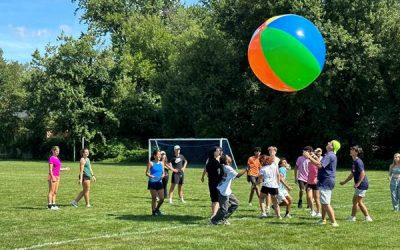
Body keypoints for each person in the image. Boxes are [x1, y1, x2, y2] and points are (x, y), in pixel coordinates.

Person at [304, 140, 340, 227]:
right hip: (327, 180)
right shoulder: (330, 155)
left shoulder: (329, 155)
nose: (328, 142)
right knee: (324, 201)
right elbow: (321, 163)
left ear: (332, 147)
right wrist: (315, 157)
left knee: (326, 203)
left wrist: (309, 157)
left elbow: (320, 166)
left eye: (330, 143)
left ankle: (334, 222)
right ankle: (323, 219)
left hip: (326, 181)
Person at [209, 155, 247, 225]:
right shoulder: (227, 167)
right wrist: (246, 169)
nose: (230, 157)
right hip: (223, 191)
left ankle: (224, 218)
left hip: (226, 190)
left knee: (235, 204)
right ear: (227, 160)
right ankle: (213, 221)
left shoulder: (224, 166)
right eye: (228, 157)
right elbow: (238, 175)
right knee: (223, 209)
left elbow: (232, 176)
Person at [340, 145, 373, 222]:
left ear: (356, 152)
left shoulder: (358, 161)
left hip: (362, 185)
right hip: (360, 185)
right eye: (351, 149)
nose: (351, 150)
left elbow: (363, 173)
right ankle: (353, 217)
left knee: (358, 201)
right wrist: (344, 182)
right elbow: (352, 174)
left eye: (353, 150)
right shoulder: (354, 162)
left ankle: (367, 217)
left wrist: (358, 183)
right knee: (356, 201)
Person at [201, 146, 223, 217]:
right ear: (213, 153)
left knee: (214, 200)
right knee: (217, 200)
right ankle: (214, 215)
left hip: (212, 182)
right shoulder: (214, 162)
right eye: (217, 151)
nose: (219, 152)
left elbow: (207, 171)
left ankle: (214, 214)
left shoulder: (211, 161)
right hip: (216, 183)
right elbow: (219, 173)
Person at [146, 150, 165, 216]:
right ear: (154, 156)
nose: (159, 156)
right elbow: (147, 173)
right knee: (154, 198)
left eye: (160, 155)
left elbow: (163, 173)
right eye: (158, 154)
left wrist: (162, 176)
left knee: (162, 199)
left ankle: (156, 209)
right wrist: (152, 176)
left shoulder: (162, 163)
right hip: (152, 182)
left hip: (159, 182)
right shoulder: (151, 163)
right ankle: (153, 212)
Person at [306, 151, 321, 217]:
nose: (310, 156)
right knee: (309, 197)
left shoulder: (317, 163)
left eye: (311, 155)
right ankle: (312, 210)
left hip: (316, 183)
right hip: (309, 183)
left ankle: (319, 212)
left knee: (316, 198)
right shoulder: (309, 163)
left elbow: (319, 163)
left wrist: (314, 156)